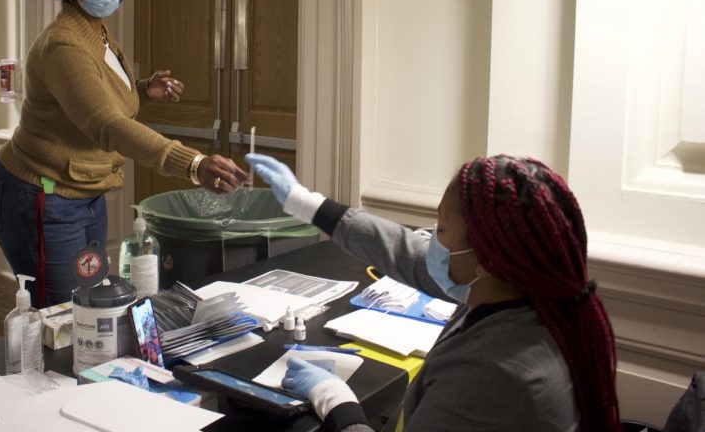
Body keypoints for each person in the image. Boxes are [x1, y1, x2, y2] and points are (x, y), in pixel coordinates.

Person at [246, 153, 621, 432]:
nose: (430, 240)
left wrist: (340, 406)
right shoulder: (526, 294)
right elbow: (407, 253)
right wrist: (305, 202)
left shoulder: (494, 374)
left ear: (487, 258)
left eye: (441, 229)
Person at [0, 0, 249, 307]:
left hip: (84, 190)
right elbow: (106, 124)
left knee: (90, 305)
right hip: (40, 192)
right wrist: (193, 163)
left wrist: (140, 89)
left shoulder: (99, 32)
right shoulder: (64, 44)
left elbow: (89, 95)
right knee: (62, 313)